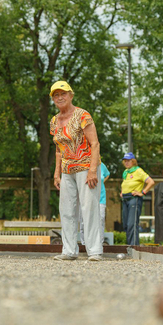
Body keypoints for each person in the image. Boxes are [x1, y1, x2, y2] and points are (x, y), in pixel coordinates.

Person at [50, 81, 103, 261]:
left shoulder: (82, 115)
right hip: (67, 170)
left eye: (63, 93)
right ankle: (69, 250)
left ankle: (94, 251)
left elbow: (95, 143)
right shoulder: (54, 121)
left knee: (89, 209)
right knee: (66, 210)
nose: (60, 97)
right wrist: (57, 173)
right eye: (56, 95)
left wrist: (93, 170)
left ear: (71, 95)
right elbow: (58, 149)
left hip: (86, 166)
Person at [120, 152, 155, 246]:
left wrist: (142, 192)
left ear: (133, 161)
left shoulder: (138, 171)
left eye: (128, 161)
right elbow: (125, 184)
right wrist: (122, 192)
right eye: (125, 161)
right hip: (125, 199)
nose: (126, 163)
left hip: (134, 199)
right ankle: (129, 246)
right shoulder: (126, 172)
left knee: (132, 224)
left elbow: (151, 182)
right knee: (126, 225)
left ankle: (134, 247)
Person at [79, 160, 110, 246]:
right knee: (84, 221)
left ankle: (99, 244)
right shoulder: (82, 164)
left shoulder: (102, 165)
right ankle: (84, 244)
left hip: (100, 198)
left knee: (100, 220)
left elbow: (107, 174)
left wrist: (101, 182)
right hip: (85, 198)